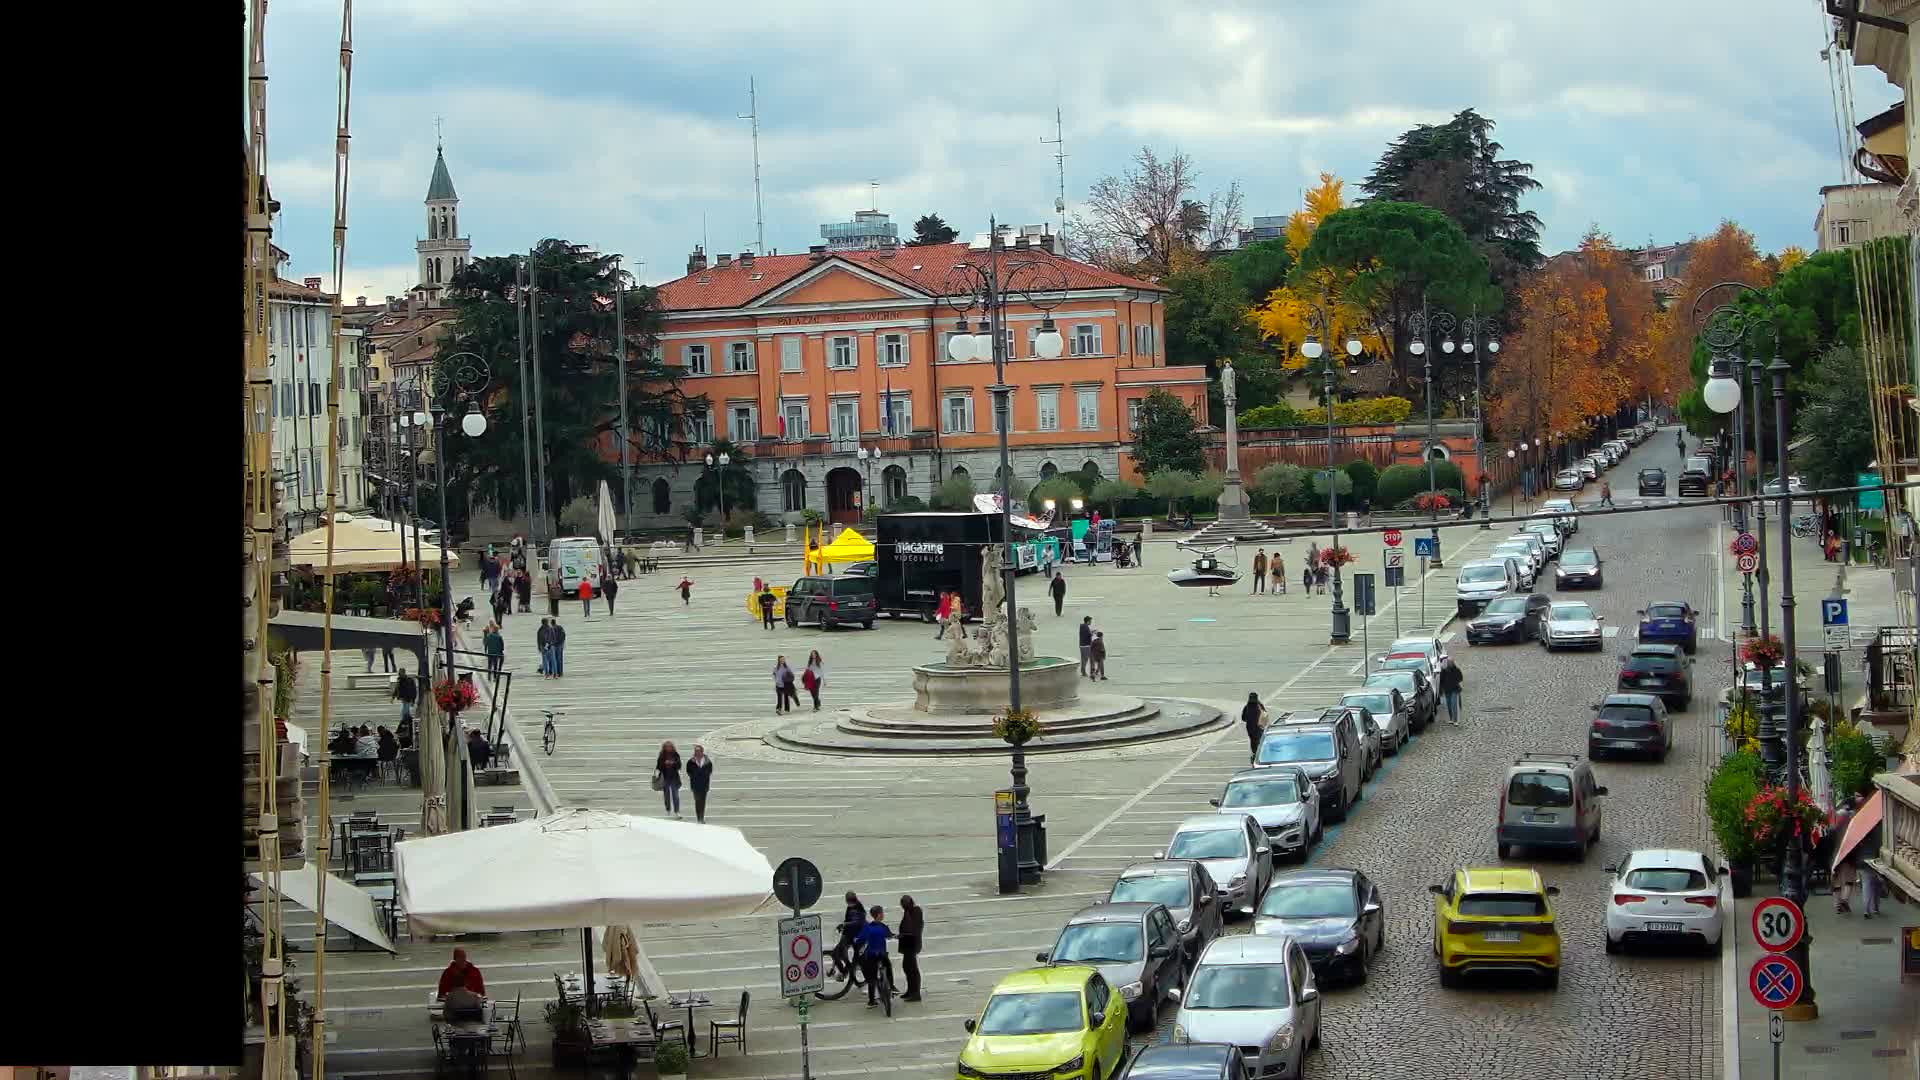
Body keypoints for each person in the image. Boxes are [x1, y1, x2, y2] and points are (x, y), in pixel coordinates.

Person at [854, 905, 893, 1007]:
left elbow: (859, 939)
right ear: (879, 915)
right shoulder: (883, 927)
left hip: (870, 955)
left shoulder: (867, 927)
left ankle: (871, 1001)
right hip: (881, 954)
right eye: (882, 913)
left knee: (872, 979)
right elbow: (889, 935)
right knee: (888, 967)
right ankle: (892, 987)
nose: (883, 914)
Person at [897, 895, 925, 1002]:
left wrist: (902, 935)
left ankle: (916, 993)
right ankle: (910, 990)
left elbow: (912, 929)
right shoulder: (909, 911)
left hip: (912, 944)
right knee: (907, 967)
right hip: (908, 944)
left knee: (912, 969)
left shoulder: (915, 911)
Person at [832, 892, 865, 978]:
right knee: (837, 953)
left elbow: (857, 922)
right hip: (849, 934)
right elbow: (849, 920)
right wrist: (843, 925)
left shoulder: (858, 909)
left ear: (848, 901)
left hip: (855, 936)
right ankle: (846, 970)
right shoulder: (851, 907)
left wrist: (844, 925)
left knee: (837, 953)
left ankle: (846, 972)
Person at [655, 739, 684, 818]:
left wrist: (672, 763)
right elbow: (658, 766)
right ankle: (668, 808)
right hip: (665, 777)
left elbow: (679, 765)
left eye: (670, 746)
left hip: (674, 777)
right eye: (666, 746)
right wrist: (657, 772)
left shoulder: (675, 754)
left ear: (672, 747)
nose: (668, 748)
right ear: (664, 747)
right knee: (666, 795)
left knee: (675, 795)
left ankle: (677, 811)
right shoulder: (662, 755)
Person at [687, 743, 714, 823]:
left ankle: (702, 817)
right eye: (696, 751)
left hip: (704, 784)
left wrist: (702, 774)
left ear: (702, 751)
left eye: (699, 751)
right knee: (697, 801)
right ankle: (699, 817)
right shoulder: (691, 761)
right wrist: (695, 775)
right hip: (695, 785)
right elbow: (689, 771)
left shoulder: (707, 761)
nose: (697, 752)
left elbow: (709, 771)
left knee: (702, 801)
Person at [1242, 692, 1267, 763]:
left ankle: (1254, 754)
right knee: (1260, 741)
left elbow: (1243, 718)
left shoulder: (1247, 707)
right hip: (1259, 727)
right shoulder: (1260, 706)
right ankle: (1260, 755)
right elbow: (1265, 714)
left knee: (1253, 741)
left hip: (1250, 728)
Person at [1439, 656, 1464, 726]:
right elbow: (1441, 680)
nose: (1449, 663)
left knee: (1454, 704)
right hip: (1447, 690)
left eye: (1451, 662)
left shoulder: (1456, 670)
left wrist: (1455, 682)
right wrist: (1441, 690)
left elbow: (1460, 678)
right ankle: (1451, 718)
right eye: (1448, 662)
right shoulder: (1444, 671)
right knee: (1449, 705)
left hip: (1455, 689)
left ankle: (1456, 720)